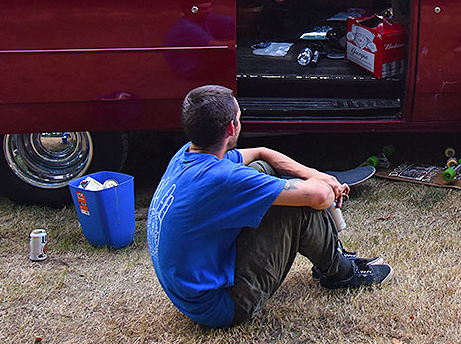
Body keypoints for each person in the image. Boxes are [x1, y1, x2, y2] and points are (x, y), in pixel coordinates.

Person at [147, 85, 392, 328]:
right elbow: (319, 197)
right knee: (294, 205)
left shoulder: (186, 155)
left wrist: (315, 174)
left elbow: (261, 153)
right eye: (240, 117)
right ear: (232, 128)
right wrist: (324, 185)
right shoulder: (222, 178)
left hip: (190, 293)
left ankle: (329, 254)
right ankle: (341, 272)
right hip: (221, 306)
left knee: (262, 170)